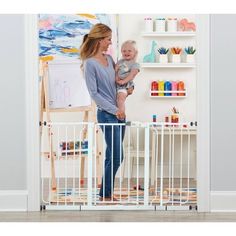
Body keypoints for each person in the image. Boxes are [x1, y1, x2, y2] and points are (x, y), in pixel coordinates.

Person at [80, 23, 130, 201]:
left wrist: (127, 88)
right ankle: (106, 194)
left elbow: (118, 82)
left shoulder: (109, 60)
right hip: (108, 114)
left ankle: (105, 193)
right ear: (100, 39)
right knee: (116, 156)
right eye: (108, 39)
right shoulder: (89, 64)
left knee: (113, 155)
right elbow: (94, 94)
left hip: (119, 112)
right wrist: (115, 110)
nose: (110, 42)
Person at [115, 40, 140, 113]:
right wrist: (116, 76)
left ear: (135, 52)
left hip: (126, 85)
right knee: (115, 100)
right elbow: (115, 72)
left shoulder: (135, 64)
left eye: (129, 51)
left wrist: (123, 81)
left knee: (120, 99)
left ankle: (121, 114)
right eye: (124, 51)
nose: (126, 53)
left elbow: (131, 75)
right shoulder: (120, 62)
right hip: (117, 84)